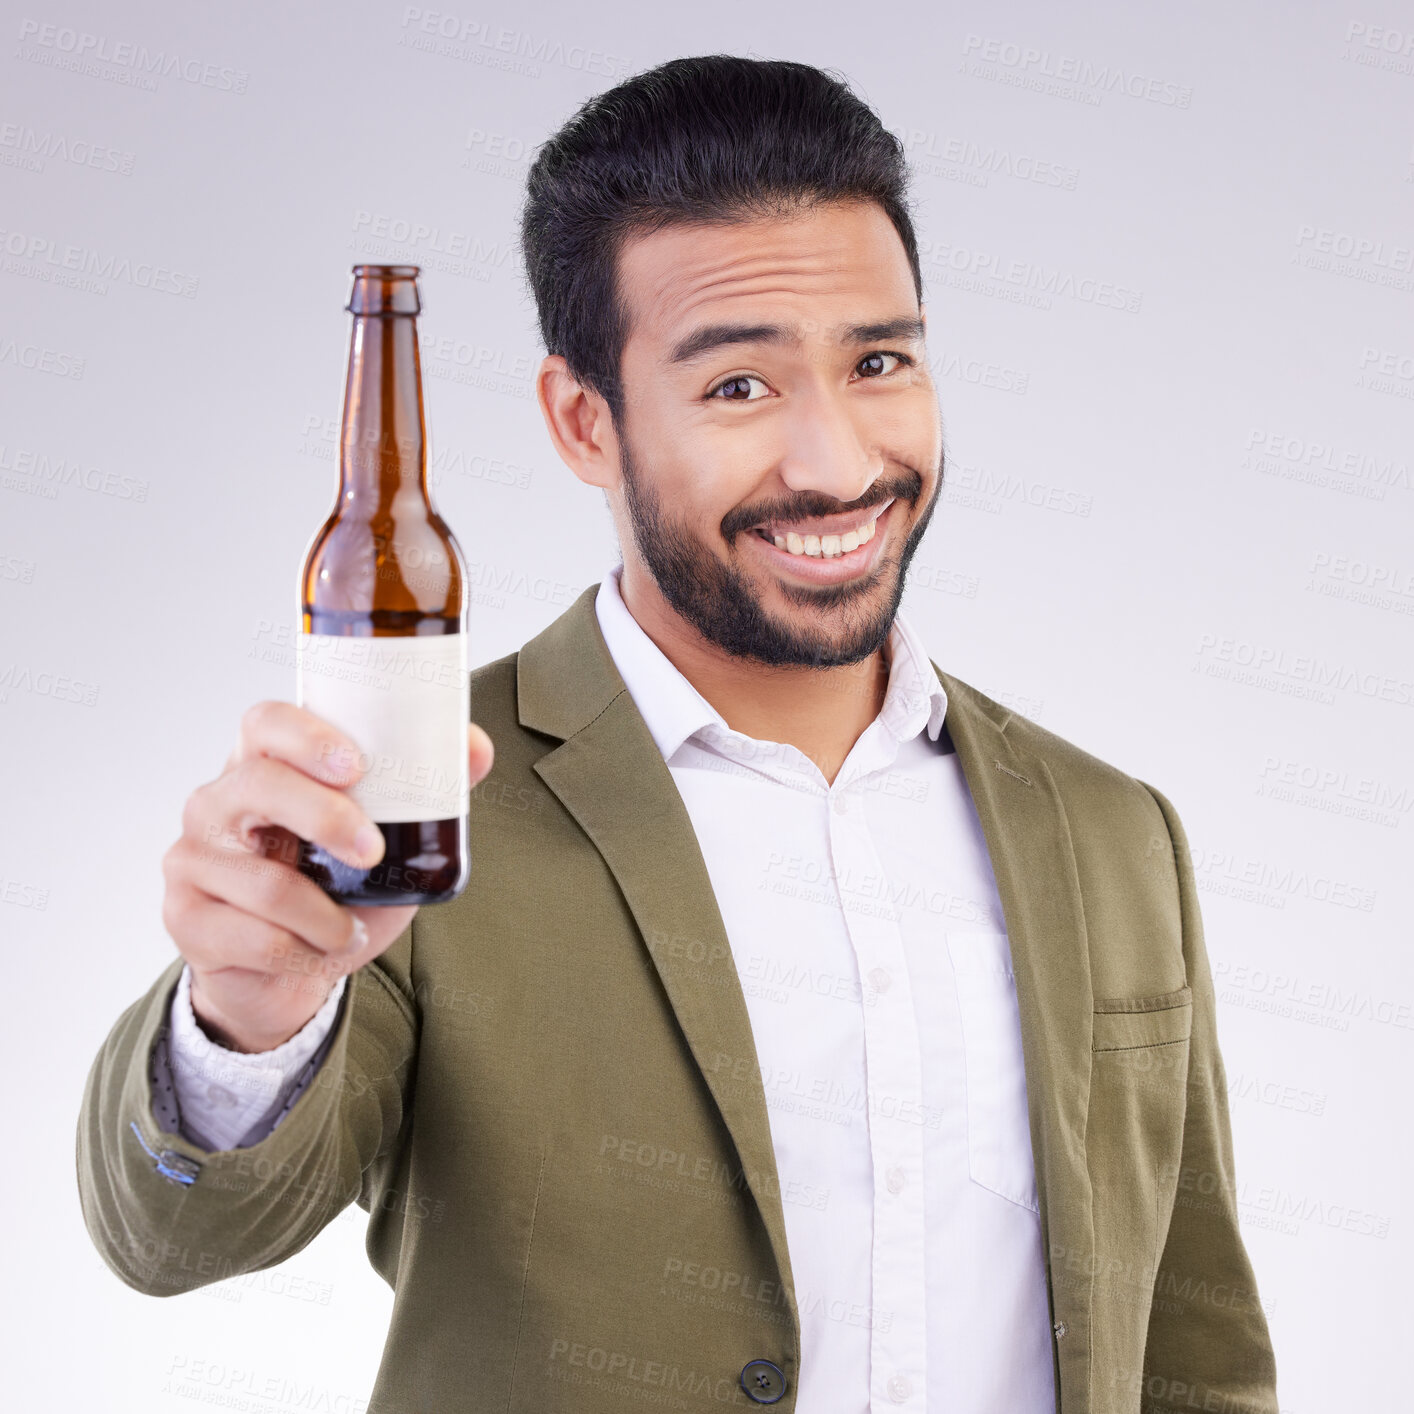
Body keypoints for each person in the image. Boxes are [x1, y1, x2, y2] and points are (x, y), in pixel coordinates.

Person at [77, 54, 1279, 1414]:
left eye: (876, 361)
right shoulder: (419, 800)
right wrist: (242, 1016)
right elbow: (173, 1232)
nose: (833, 462)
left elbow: (1197, 1351)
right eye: (737, 390)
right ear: (586, 422)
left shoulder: (1113, 830)